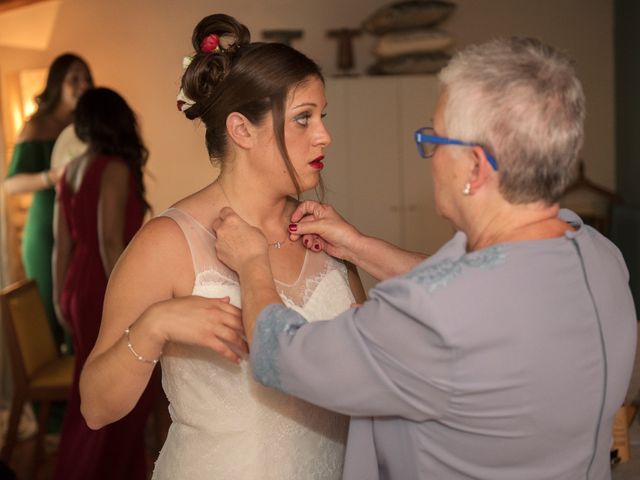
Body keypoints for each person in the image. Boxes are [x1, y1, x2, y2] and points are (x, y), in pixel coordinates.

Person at [213, 37, 638, 479]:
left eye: (433, 140)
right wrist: (357, 245)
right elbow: (486, 289)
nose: (431, 160)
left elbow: (277, 355)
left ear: (476, 167)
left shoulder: (433, 316)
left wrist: (251, 263)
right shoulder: (598, 254)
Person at [79, 13, 366, 480]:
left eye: (322, 116)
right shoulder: (167, 243)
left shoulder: (326, 234)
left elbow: (368, 370)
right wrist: (153, 327)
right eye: (303, 119)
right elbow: (95, 407)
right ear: (241, 130)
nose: (324, 135)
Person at [51, 87, 153, 479]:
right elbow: (110, 241)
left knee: (88, 383)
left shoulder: (71, 169)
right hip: (104, 286)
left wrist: (62, 295)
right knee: (121, 387)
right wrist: (134, 299)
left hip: (79, 285)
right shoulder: (113, 167)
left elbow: (62, 243)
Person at [4, 53, 93, 353]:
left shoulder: (88, 127)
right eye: (74, 79)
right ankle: (52, 397)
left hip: (81, 227)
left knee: (81, 307)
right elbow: (10, 184)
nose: (83, 85)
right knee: (49, 311)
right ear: (58, 84)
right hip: (45, 231)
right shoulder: (36, 126)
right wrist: (50, 177)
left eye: (86, 78)